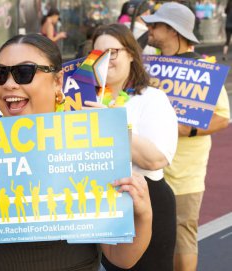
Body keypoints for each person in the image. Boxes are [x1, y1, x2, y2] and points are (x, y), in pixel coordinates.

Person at [0, 33, 153, 270]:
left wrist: (144, 214)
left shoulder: (90, 143)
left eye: (24, 73)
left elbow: (122, 258)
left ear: (57, 81)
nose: (9, 84)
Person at [142, 3, 230, 271]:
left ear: (172, 30)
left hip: (185, 174)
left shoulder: (204, 71)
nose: (150, 29)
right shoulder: (147, 65)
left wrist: (184, 130)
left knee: (183, 236)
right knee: (148, 235)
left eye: (155, 25)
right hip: (147, 167)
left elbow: (223, 117)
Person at [89, 23, 178, 271]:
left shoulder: (151, 99)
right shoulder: (84, 99)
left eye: (113, 52)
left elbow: (156, 159)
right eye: (97, 54)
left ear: (130, 53)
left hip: (145, 199)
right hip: (97, 201)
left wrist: (111, 123)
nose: (106, 59)